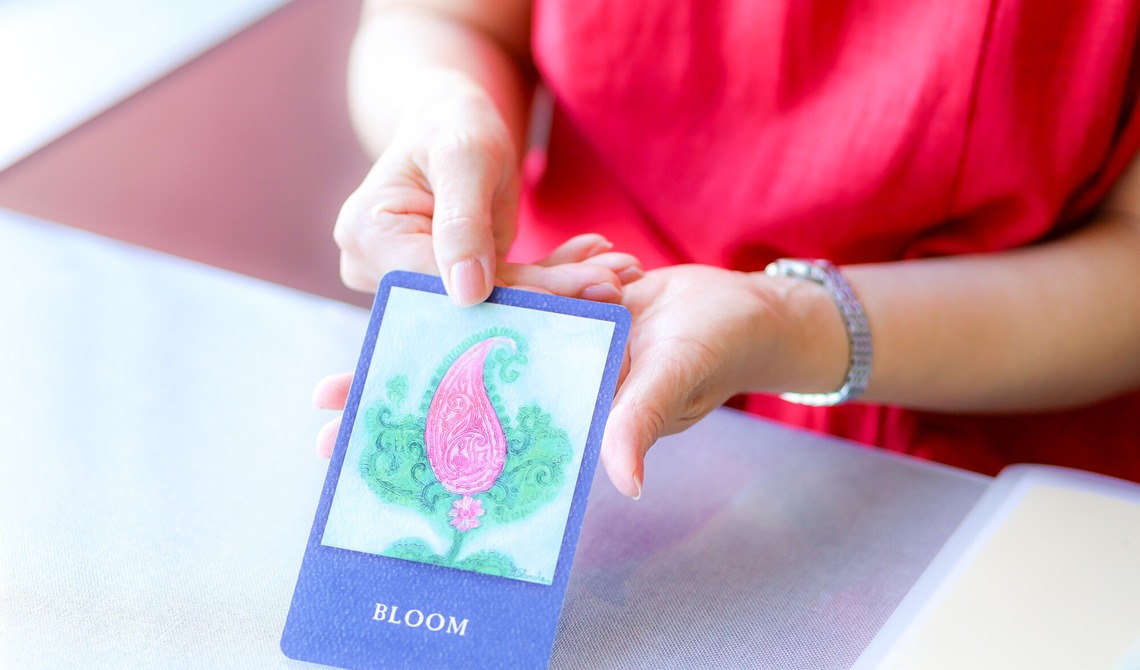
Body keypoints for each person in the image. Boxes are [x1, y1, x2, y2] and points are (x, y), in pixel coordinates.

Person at [315, 0, 1140, 496]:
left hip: (992, 451)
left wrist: (791, 325)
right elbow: (441, 18)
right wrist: (439, 111)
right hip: (573, 371)